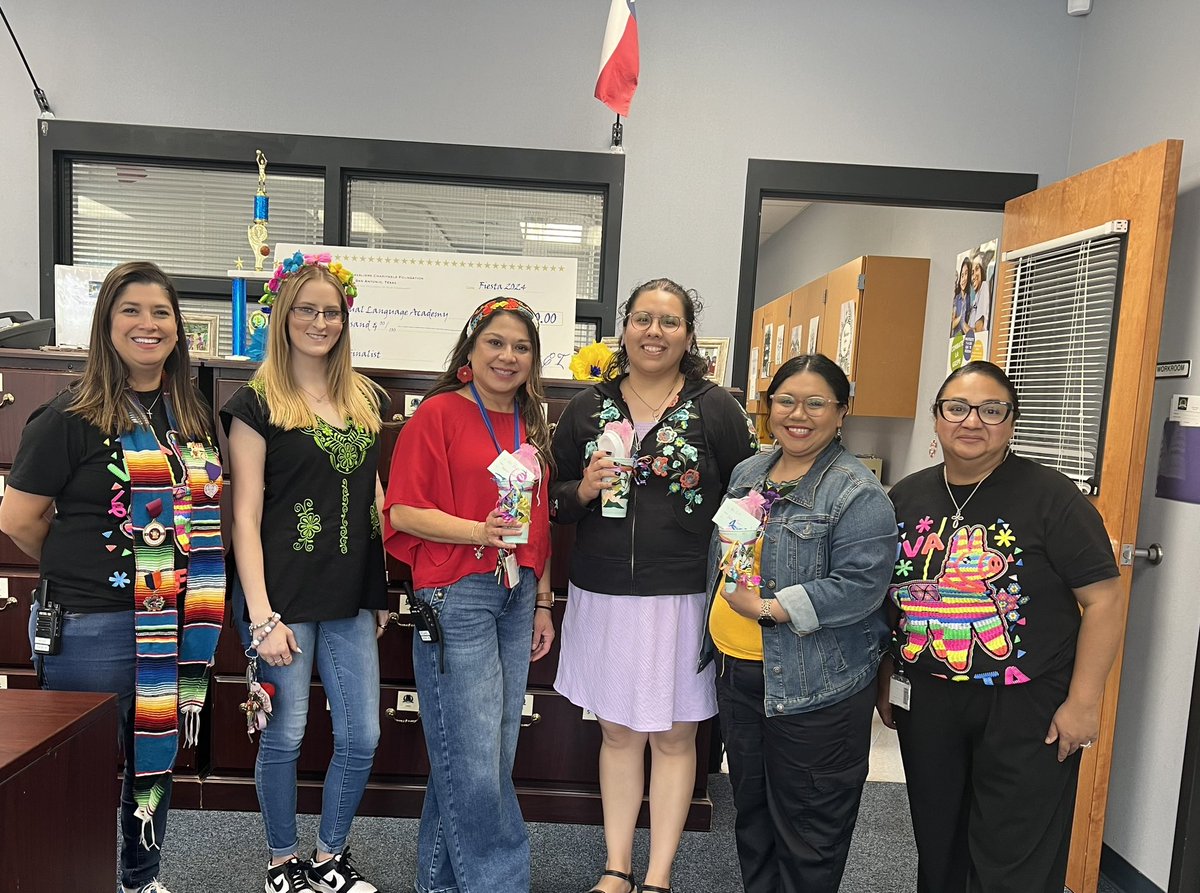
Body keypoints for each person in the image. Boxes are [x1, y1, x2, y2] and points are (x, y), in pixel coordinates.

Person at [0, 261, 224, 893]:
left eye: (160, 313)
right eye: (131, 310)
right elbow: (21, 520)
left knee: (152, 767)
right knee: (84, 772)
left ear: (180, 330)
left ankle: (139, 877)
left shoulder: (193, 418)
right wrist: (92, 566)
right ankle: (74, 879)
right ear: (106, 323)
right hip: (91, 625)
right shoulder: (70, 416)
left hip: (173, 621)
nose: (147, 324)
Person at [877, 360, 1123, 893]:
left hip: (1026, 703)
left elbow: (1104, 599)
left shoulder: (1051, 496)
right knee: (938, 842)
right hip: (929, 699)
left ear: (1012, 421)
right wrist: (887, 679)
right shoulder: (905, 497)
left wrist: (1083, 703)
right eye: (957, 408)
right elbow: (892, 600)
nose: (972, 421)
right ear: (937, 418)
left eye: (992, 410)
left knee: (1012, 853)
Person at [551, 278, 758, 893]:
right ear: (624, 329)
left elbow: (744, 497)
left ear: (688, 335)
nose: (654, 332)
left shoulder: (716, 407)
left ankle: (660, 875)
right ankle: (617, 866)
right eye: (643, 319)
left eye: (669, 322)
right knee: (616, 729)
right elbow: (556, 502)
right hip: (605, 591)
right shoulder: (587, 408)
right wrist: (584, 488)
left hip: (685, 595)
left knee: (675, 733)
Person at [222, 252, 388, 893]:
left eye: (332, 312)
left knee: (363, 735)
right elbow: (245, 517)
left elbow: (374, 505)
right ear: (283, 315)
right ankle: (282, 860)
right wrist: (261, 617)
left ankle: (330, 857)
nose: (321, 322)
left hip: (349, 596)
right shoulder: (256, 402)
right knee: (286, 735)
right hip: (282, 598)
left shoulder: (365, 398)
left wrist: (381, 595)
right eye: (308, 310)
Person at [700, 353, 896, 893]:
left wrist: (770, 608)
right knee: (754, 820)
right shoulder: (750, 473)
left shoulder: (857, 493)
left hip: (815, 686)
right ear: (767, 408)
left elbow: (861, 587)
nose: (798, 414)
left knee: (809, 833)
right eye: (786, 400)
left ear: (841, 413)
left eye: (816, 403)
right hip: (739, 674)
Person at [384, 296, 555, 893]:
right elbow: (402, 510)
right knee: (476, 760)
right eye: (496, 343)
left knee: (481, 751)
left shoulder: (528, 423)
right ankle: (499, 883)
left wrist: (542, 599)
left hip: (516, 592)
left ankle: (439, 882)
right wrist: (477, 532)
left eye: (522, 347)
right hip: (459, 593)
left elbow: (538, 522)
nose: (508, 356)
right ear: (471, 350)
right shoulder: (437, 415)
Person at [968, 256, 991, 333]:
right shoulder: (976, 296)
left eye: (977, 269)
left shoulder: (984, 286)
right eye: (971, 273)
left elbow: (979, 329)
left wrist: (962, 323)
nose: (973, 277)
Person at [951, 257, 972, 337]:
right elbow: (952, 325)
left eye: (966, 274)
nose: (963, 279)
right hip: (956, 341)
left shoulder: (970, 298)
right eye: (962, 275)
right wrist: (960, 317)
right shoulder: (956, 300)